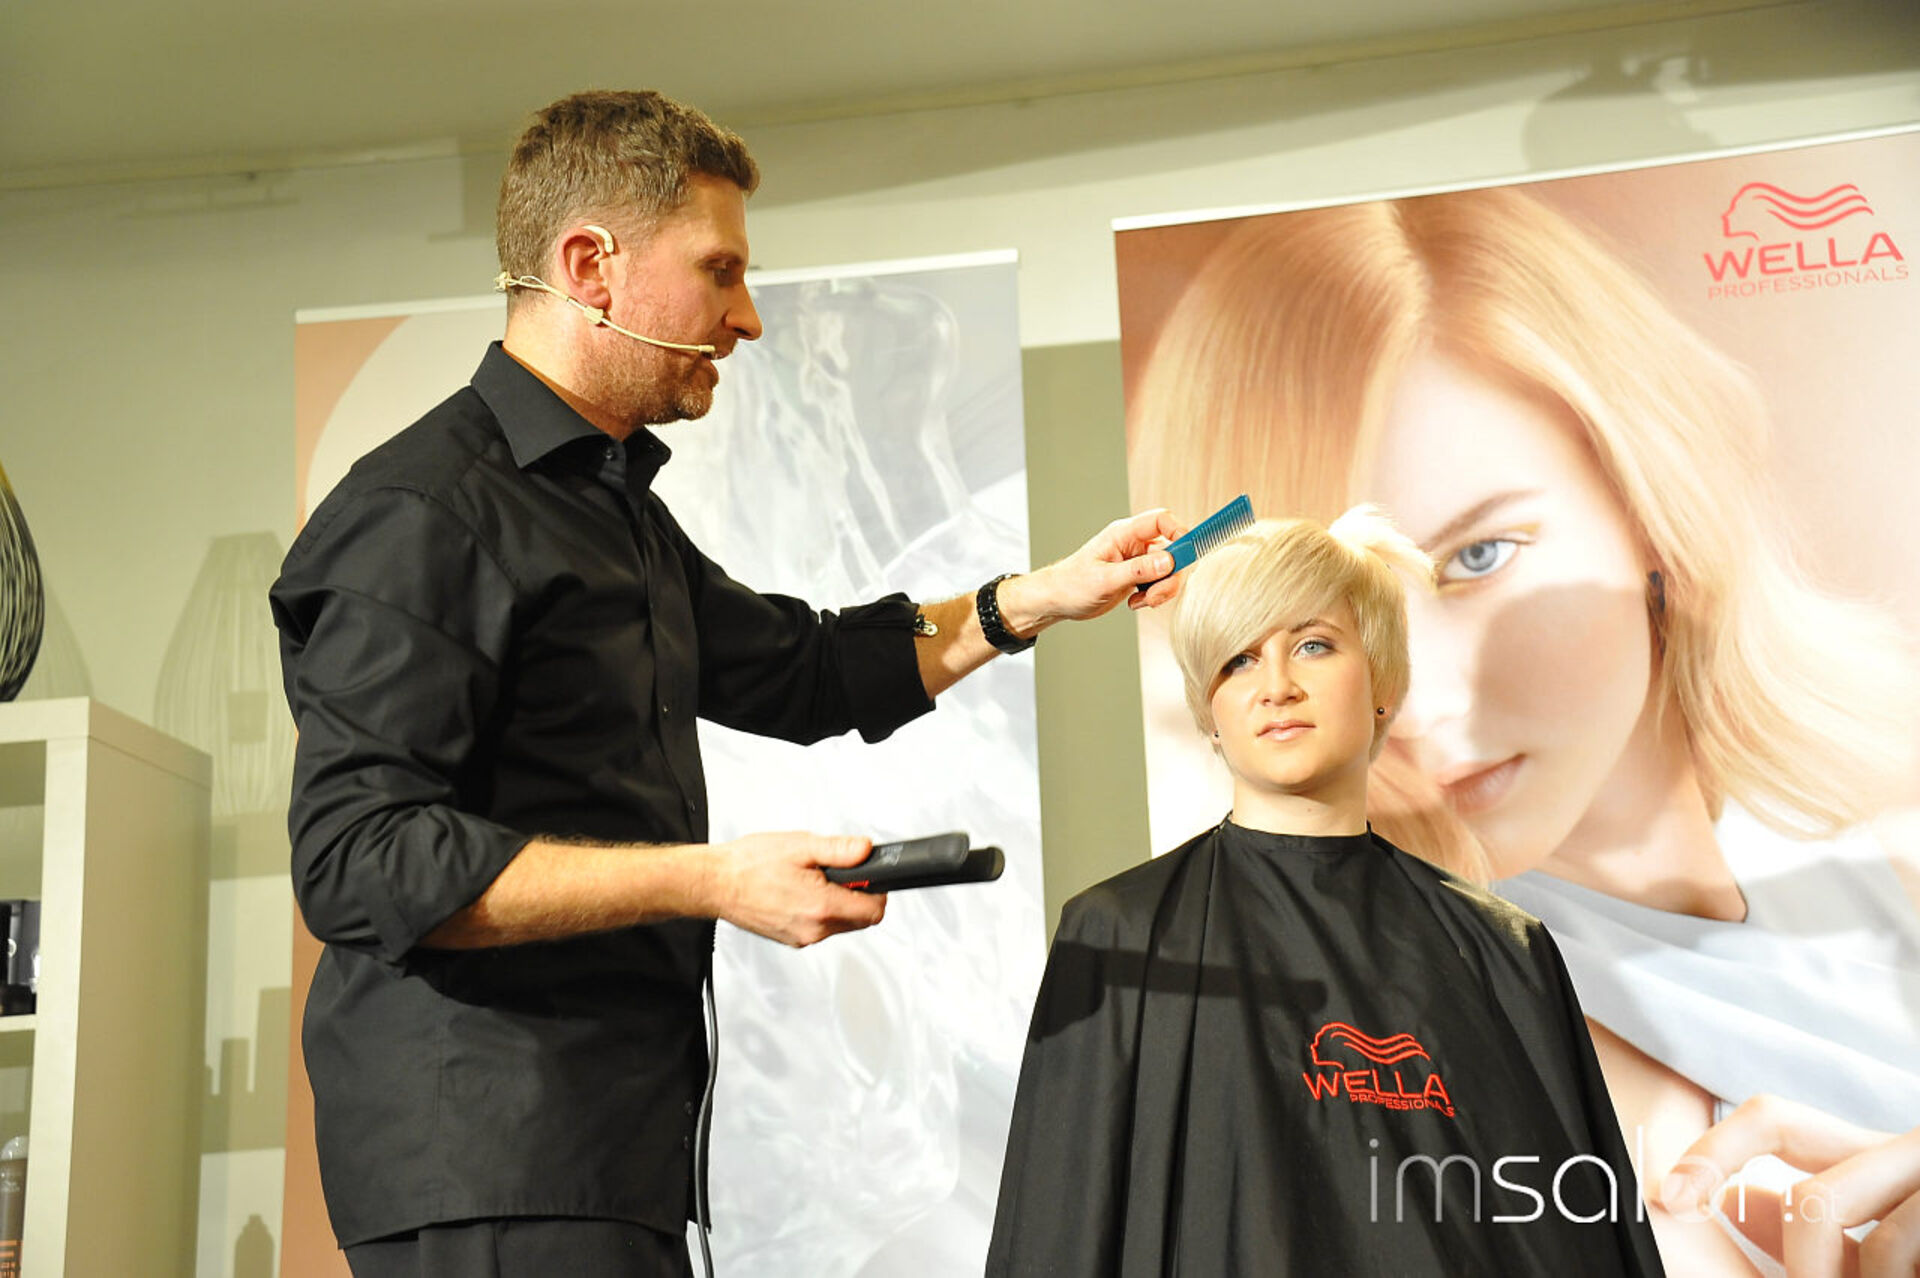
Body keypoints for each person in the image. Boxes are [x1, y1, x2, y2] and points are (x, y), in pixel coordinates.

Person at [270, 89, 1182, 1278]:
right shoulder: (421, 512)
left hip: (609, 1161)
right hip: (490, 1163)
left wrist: (1037, 599)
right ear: (589, 267)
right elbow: (358, 859)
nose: (746, 317)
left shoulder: (612, 516)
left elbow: (806, 672)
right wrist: (716, 879)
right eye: (720, 272)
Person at [1124, 187, 1920, 1275]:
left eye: (1478, 557)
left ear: (1648, 496)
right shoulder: (1447, 1066)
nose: (1419, 705)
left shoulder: (1880, 846)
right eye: (1312, 634)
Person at [986, 509, 1664, 1276]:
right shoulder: (1122, 936)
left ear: (1382, 684)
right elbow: (1055, 1238)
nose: (1276, 687)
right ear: (1209, 709)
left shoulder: (1503, 952)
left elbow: (1580, 1236)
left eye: (1313, 645)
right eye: (1239, 660)